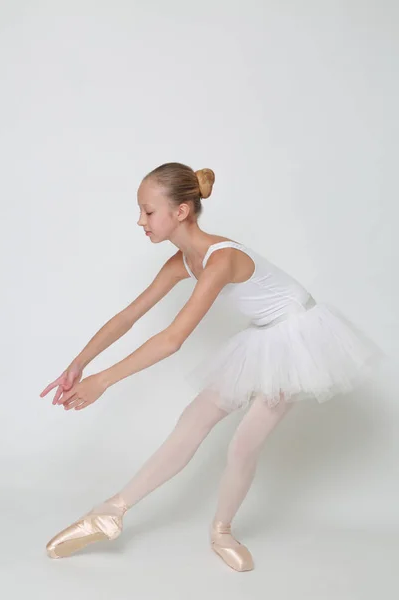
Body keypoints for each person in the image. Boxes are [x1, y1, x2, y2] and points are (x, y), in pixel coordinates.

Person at [40, 162, 385, 572]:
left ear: (181, 211)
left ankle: (222, 530)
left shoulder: (222, 259)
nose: (140, 220)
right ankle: (111, 511)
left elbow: (173, 339)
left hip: (298, 336)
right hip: (262, 336)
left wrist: (105, 380)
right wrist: (79, 364)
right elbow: (128, 316)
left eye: (148, 211)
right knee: (193, 420)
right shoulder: (181, 262)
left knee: (243, 444)